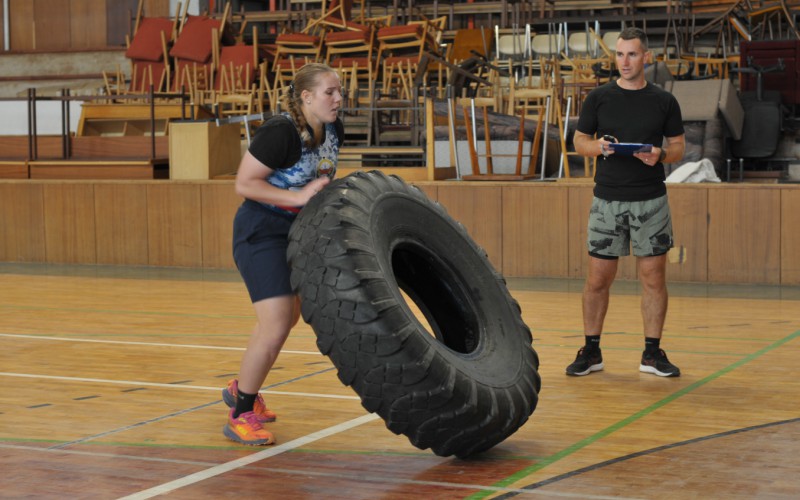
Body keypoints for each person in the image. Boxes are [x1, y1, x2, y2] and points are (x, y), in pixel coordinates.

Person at [221, 62, 344, 445]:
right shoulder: (280, 132)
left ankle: (241, 387)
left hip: (298, 231)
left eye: (340, 91)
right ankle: (240, 413)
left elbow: (320, 178)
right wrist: (296, 197)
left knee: (286, 319)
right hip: (261, 232)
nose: (338, 99)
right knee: (275, 323)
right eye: (330, 92)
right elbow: (245, 184)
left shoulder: (334, 127)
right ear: (306, 97)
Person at [566, 27, 685, 378]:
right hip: (607, 199)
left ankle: (651, 353)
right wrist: (598, 147)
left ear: (646, 57)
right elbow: (579, 141)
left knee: (653, 278)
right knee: (598, 279)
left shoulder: (664, 100)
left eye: (632, 54)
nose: (625, 61)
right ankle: (591, 351)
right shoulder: (599, 98)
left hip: (650, 200)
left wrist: (661, 154)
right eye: (619, 54)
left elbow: (678, 147)